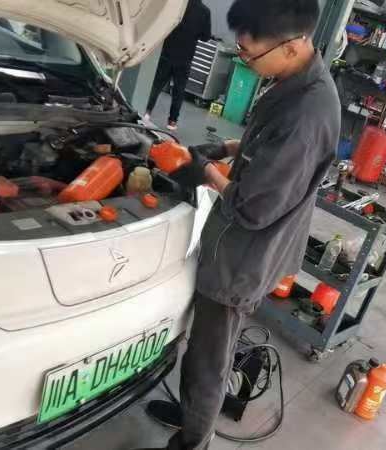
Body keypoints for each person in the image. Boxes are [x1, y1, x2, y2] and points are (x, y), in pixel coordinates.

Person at [137, 0, 340, 449]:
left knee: (209, 358)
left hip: (245, 255)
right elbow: (264, 142)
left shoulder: (307, 114)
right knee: (204, 347)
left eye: (250, 53)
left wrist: (201, 169)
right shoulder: (294, 80)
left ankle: (193, 440)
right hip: (234, 241)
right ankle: (192, 416)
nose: (245, 60)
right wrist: (227, 149)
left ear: (292, 45)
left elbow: (254, 208)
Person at [144, 0, 211, 131]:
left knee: (156, 86)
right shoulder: (205, 12)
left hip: (167, 53)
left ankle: (147, 112)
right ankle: (172, 121)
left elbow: (164, 23)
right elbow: (206, 37)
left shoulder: (178, 4)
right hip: (185, 58)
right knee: (179, 91)